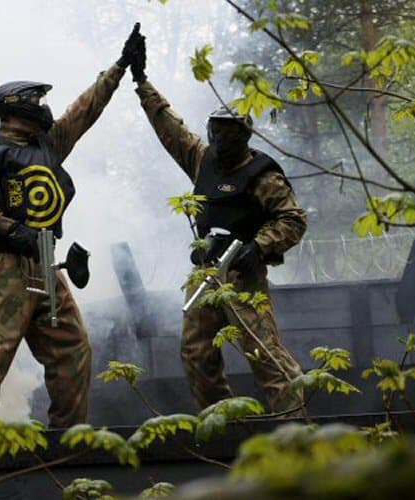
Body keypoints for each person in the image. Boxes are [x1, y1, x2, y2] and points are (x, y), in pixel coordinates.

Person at [0, 26, 144, 432]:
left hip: (45, 265)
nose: (45, 106)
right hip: (3, 268)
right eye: (38, 100)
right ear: (18, 107)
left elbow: (84, 110)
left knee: (73, 350)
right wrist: (8, 229)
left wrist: (121, 66)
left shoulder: (48, 146)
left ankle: (67, 443)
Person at [129, 33, 307, 413]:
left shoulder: (263, 175)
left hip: (243, 274)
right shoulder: (202, 159)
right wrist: (142, 82)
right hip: (205, 271)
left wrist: (258, 247)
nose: (221, 139)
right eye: (217, 130)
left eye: (230, 132)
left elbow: (293, 219)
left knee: (264, 352)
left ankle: (293, 423)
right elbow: (169, 127)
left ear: (245, 135)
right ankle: (222, 422)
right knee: (196, 352)